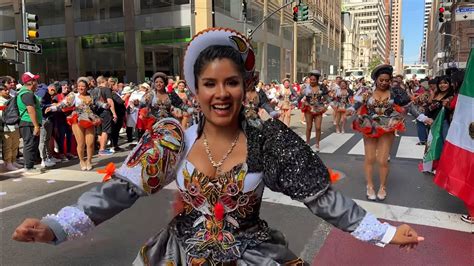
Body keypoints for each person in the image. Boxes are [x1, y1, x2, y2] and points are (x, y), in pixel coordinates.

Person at [12, 28, 423, 265]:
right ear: (196, 89)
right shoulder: (175, 138)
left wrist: (384, 234)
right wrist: (58, 226)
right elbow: (118, 192)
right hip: (178, 253)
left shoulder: (269, 140)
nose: (221, 93)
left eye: (231, 82)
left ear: (245, 87)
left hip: (252, 253)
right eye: (210, 83)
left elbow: (324, 201)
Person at [348, 65, 409, 201]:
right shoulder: (366, 91)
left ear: (390, 80)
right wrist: (351, 109)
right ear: (376, 79)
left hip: (388, 127)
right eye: (381, 80)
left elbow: (408, 105)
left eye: (387, 80)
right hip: (370, 126)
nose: (384, 83)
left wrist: (423, 117)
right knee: (370, 158)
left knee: (382, 160)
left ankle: (382, 186)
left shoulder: (396, 93)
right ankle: (370, 185)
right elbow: (357, 104)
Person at [47, 77, 101, 171]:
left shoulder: (91, 95)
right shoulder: (73, 95)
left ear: (87, 87)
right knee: (81, 143)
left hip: (90, 120)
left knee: (91, 143)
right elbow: (63, 103)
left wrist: (104, 105)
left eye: (83, 86)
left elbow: (98, 103)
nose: (81, 88)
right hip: (77, 120)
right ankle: (81, 161)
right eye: (79, 86)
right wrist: (52, 108)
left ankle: (89, 160)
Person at [17, 72, 43, 175]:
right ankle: (28, 167)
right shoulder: (27, 94)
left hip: (28, 122)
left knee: (32, 144)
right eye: (35, 80)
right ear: (30, 82)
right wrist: (36, 125)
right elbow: (31, 110)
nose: (37, 82)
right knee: (29, 145)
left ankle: (30, 165)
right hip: (28, 123)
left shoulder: (26, 93)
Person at [300, 70, 329, 152]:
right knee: (309, 127)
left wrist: (326, 106)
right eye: (311, 79)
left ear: (317, 80)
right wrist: (298, 101)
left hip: (319, 109)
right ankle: (308, 143)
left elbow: (328, 98)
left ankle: (317, 144)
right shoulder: (305, 87)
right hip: (308, 108)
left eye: (314, 80)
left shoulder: (322, 87)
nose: (312, 81)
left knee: (318, 127)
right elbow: (299, 96)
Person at [0, 80, 21, 171]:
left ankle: (13, 161)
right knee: (7, 146)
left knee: (16, 144)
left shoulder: (12, 98)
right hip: (5, 127)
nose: (7, 91)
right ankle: (8, 162)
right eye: (5, 90)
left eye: (8, 89)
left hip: (15, 124)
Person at [94, 76, 117, 156]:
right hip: (105, 111)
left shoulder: (95, 90)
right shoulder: (106, 89)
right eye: (106, 81)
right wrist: (114, 113)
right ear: (104, 81)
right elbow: (110, 101)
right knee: (105, 130)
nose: (107, 82)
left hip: (97, 112)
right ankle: (102, 149)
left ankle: (101, 148)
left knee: (100, 131)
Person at [39, 83, 59, 168]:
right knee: (43, 140)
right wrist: (50, 105)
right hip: (43, 119)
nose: (53, 96)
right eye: (54, 93)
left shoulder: (46, 93)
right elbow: (39, 105)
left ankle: (48, 157)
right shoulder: (42, 92)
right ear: (52, 89)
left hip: (48, 118)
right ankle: (43, 159)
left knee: (47, 139)